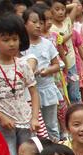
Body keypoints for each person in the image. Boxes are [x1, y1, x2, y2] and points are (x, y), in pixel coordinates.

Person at [0, 14, 40, 155]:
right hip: (2, 126)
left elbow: (34, 92)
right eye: (5, 40)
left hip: (25, 123)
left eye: (15, 39)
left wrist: (34, 117)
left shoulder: (22, 65)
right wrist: (1, 116)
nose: (11, 44)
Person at [23, 7, 62, 142]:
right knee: (36, 127)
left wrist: (47, 71)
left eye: (41, 22)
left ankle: (55, 147)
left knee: (51, 124)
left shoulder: (47, 44)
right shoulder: (21, 46)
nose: (38, 25)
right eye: (34, 22)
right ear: (24, 24)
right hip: (29, 94)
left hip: (47, 89)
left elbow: (57, 64)